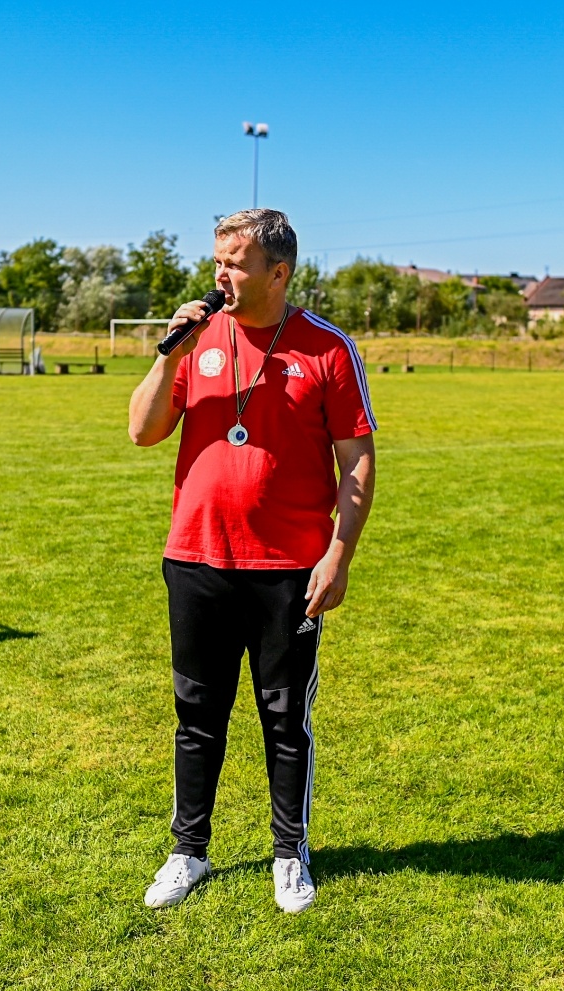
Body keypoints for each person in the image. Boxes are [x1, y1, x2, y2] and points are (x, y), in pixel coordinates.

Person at [127, 209, 378, 914]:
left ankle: (288, 853)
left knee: (283, 716)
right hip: (197, 558)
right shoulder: (197, 340)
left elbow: (357, 460)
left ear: (279, 271)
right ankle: (188, 851)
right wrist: (170, 354)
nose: (220, 275)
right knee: (196, 713)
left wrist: (340, 553)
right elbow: (141, 431)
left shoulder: (327, 348)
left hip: (290, 569)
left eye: (235, 263)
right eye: (217, 260)